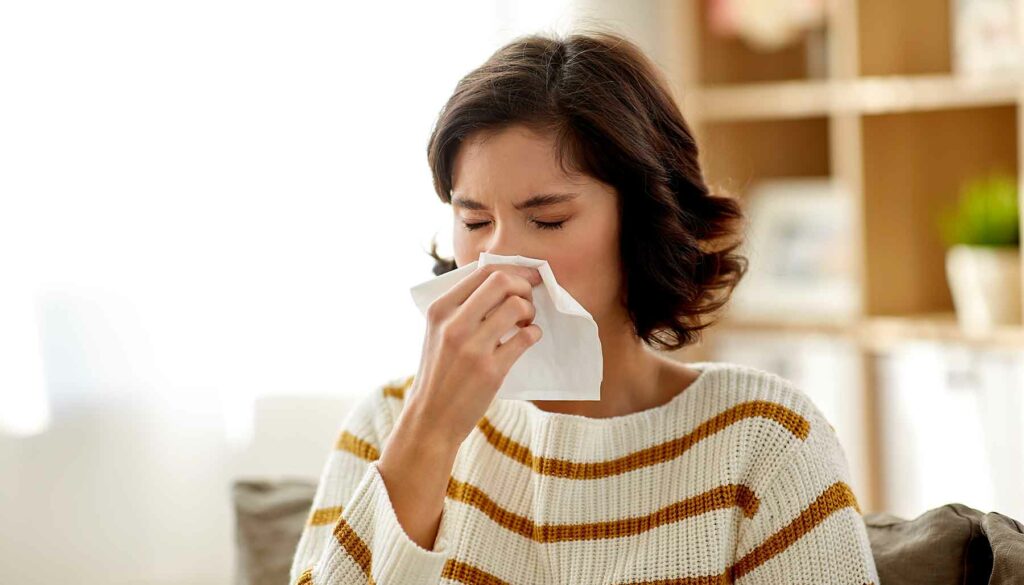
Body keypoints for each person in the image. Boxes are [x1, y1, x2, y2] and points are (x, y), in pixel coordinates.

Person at [289, 27, 880, 585]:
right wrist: (432, 432)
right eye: (475, 221)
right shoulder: (388, 425)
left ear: (643, 224)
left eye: (547, 220)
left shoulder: (763, 438)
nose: (499, 257)